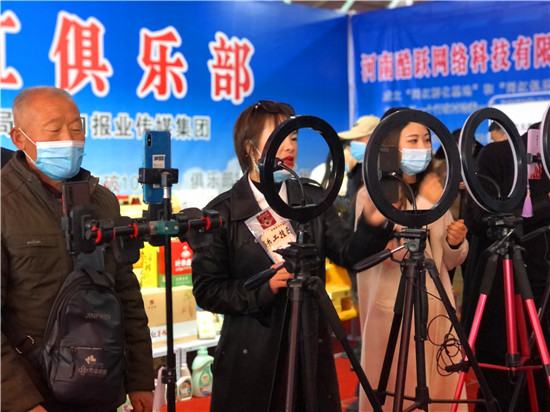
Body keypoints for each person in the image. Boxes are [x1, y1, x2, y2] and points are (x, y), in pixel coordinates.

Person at [189, 100, 394, 412]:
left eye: (294, 137)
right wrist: (265, 289)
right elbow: (208, 290)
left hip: (309, 349)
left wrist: (371, 225)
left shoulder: (312, 199)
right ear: (250, 149)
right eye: (278, 137)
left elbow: (348, 253)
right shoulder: (223, 212)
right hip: (251, 357)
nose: (289, 146)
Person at [1, 86, 154, 412]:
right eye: (54, 130)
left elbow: (126, 292)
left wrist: (140, 377)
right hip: (33, 388)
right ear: (19, 138)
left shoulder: (103, 201)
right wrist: (21, 402)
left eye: (76, 128)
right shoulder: (4, 204)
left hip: (100, 382)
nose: (69, 140)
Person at [355, 119, 469, 411]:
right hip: (394, 315)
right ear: (392, 146)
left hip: (437, 310)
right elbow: (394, 251)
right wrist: (426, 203)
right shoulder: (373, 194)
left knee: (442, 392)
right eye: (413, 140)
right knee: (398, 392)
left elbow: (447, 260)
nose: (423, 148)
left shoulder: (435, 191)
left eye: (427, 140)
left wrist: (455, 242)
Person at [462, 122, 550, 411]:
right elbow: (479, 218)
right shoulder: (498, 156)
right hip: (504, 293)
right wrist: (543, 205)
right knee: (502, 392)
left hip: (544, 291)